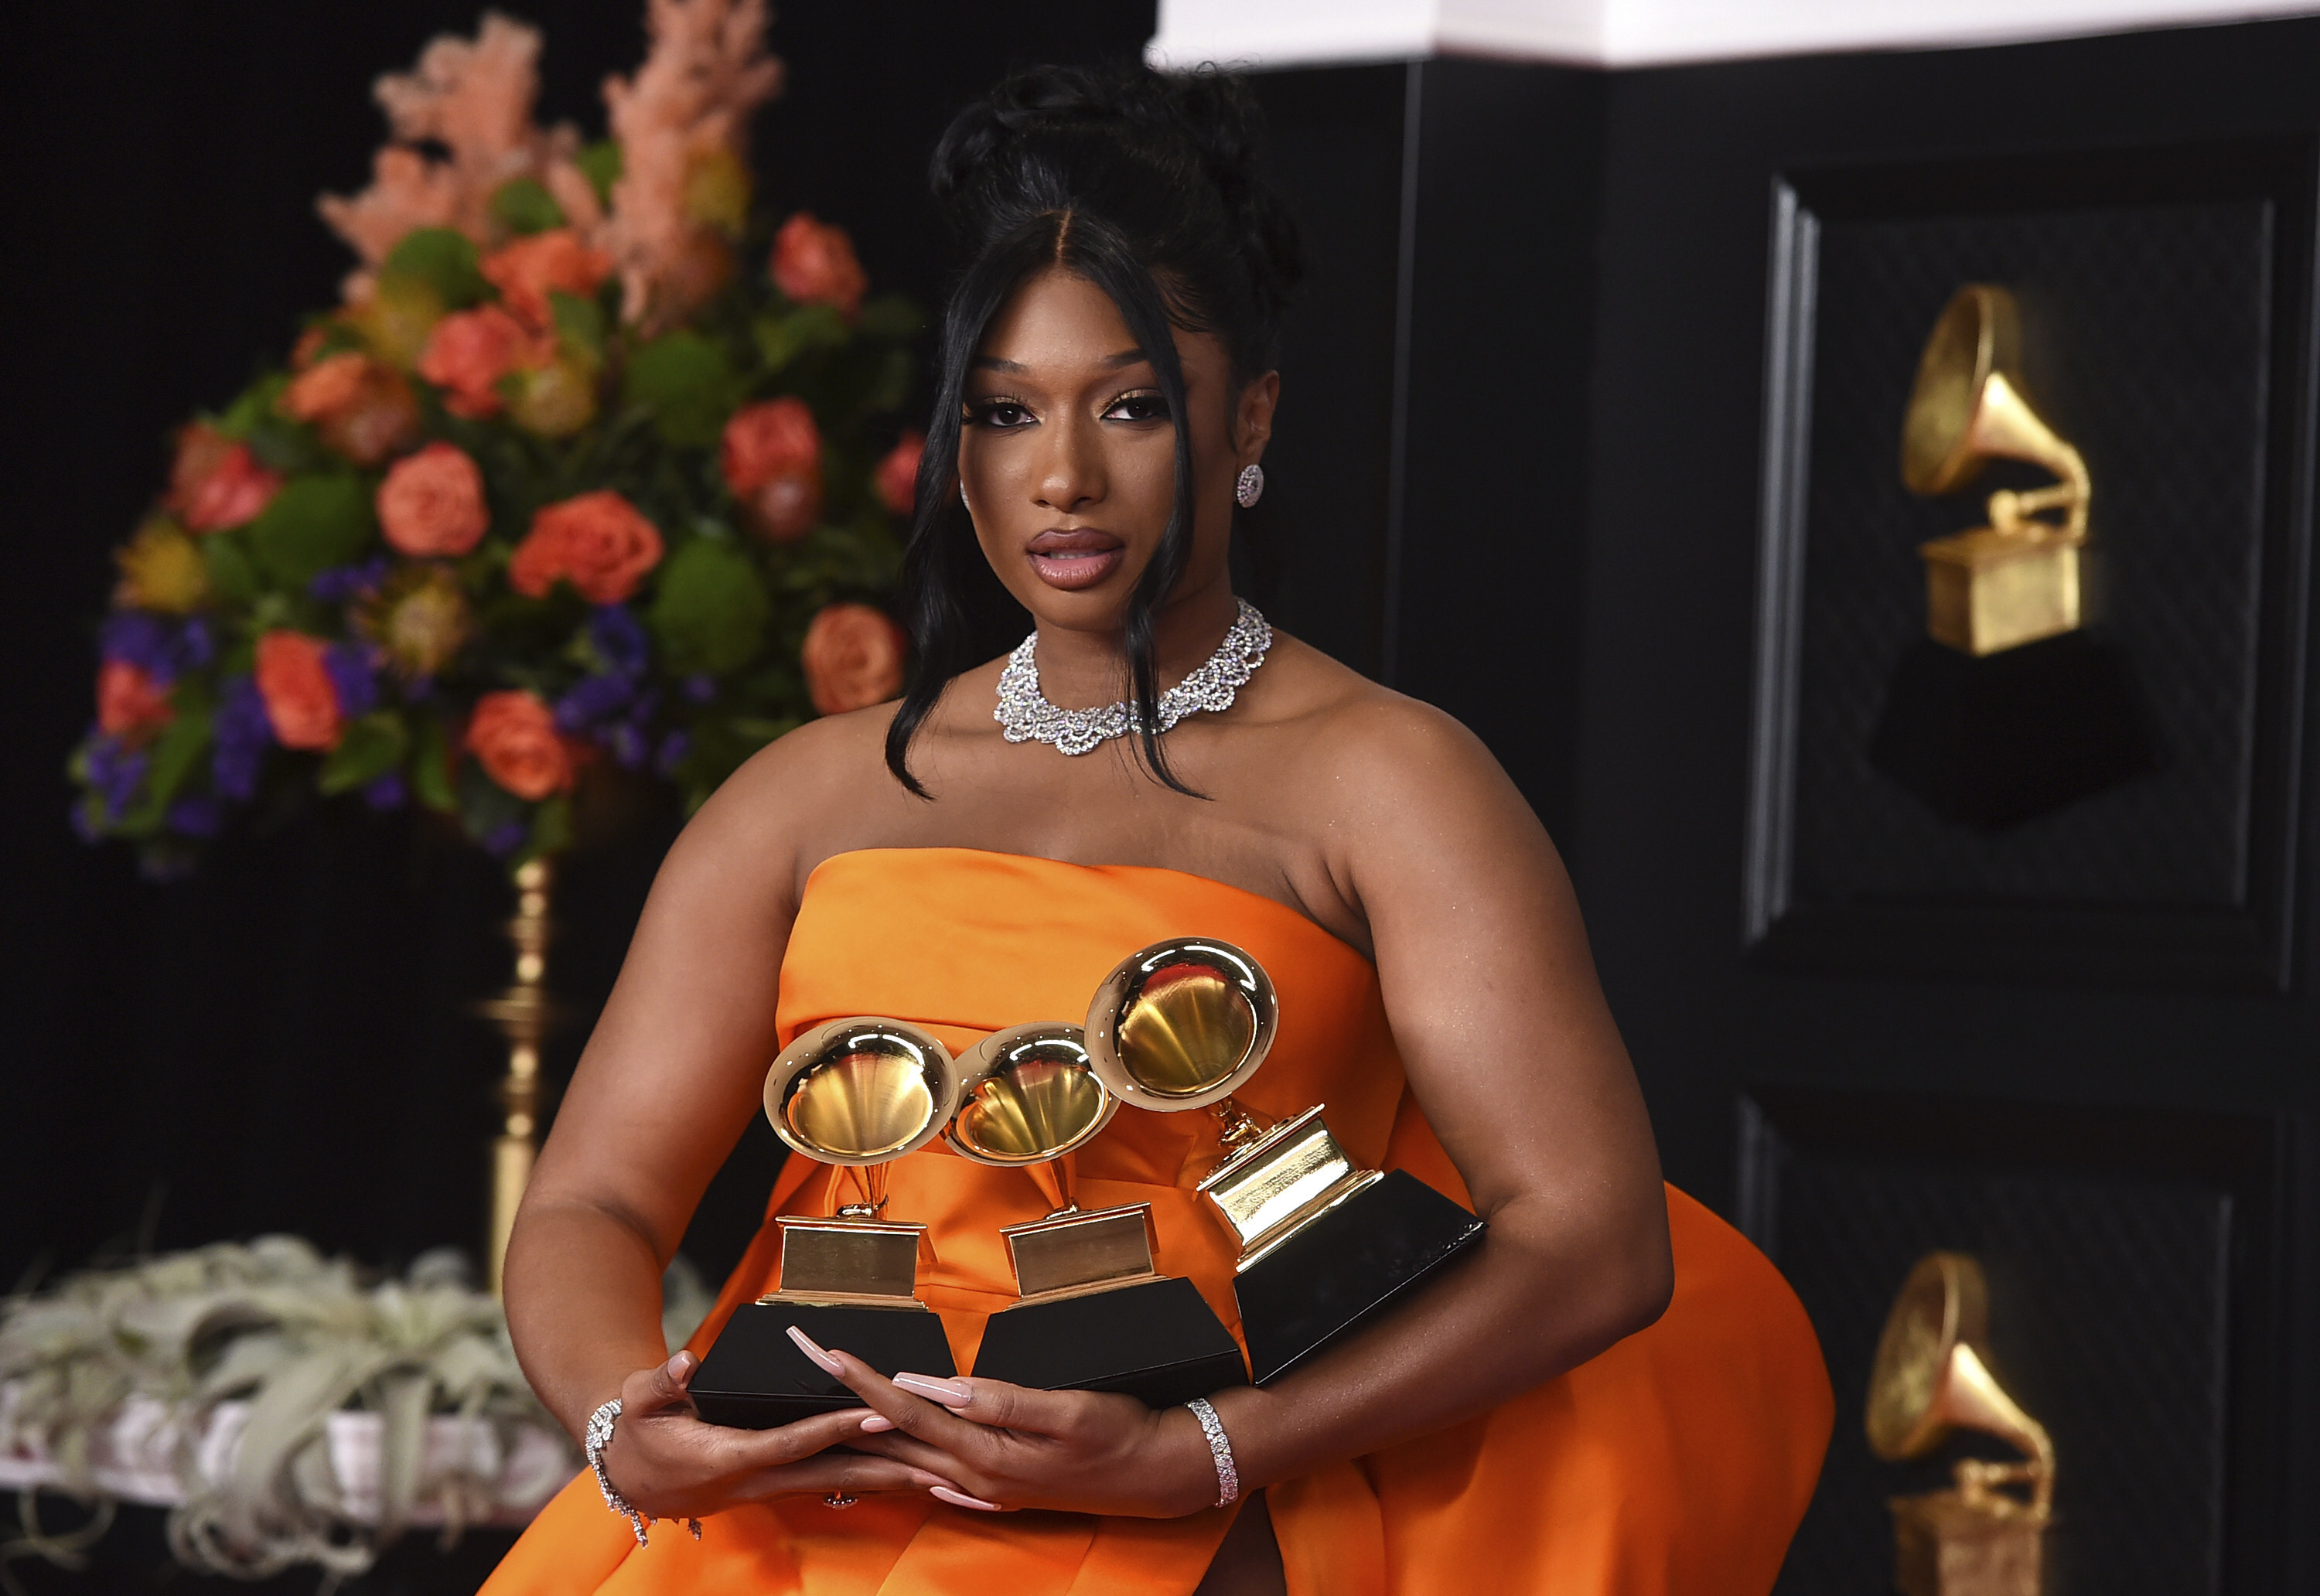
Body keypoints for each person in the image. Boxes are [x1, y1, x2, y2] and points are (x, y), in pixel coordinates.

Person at [483, 63, 1831, 1596]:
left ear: (1249, 410)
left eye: (1129, 405)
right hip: (801, 1507)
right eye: (1006, 413)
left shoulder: (1386, 780)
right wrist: (620, 1419)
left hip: (1189, 1517)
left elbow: (1593, 1243)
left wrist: (1206, 1453)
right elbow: (592, 1200)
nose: (1063, 475)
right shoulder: (804, 794)